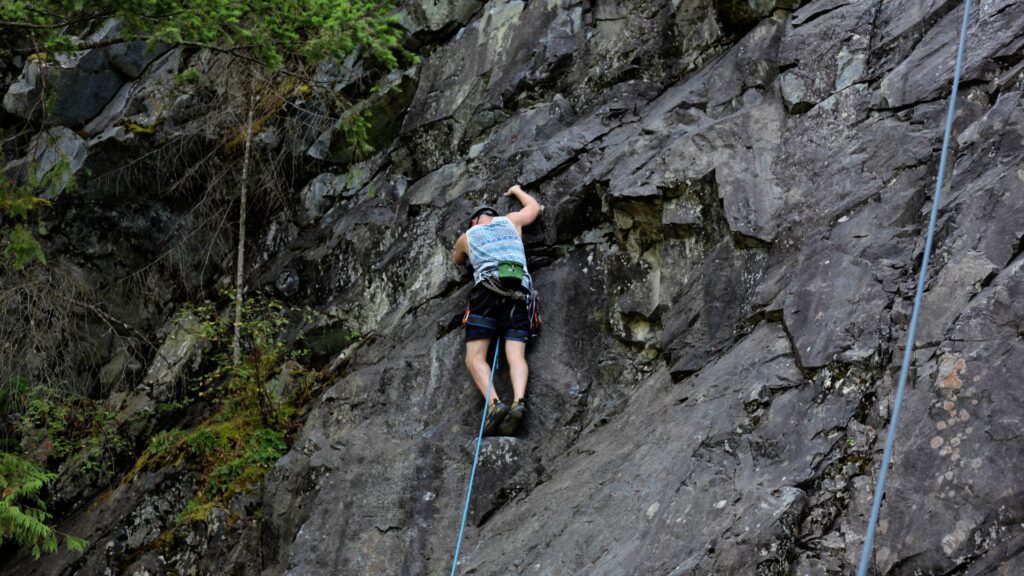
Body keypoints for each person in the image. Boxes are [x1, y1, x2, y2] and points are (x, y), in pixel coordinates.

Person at [452, 184, 541, 436]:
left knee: (475, 357)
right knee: (516, 356)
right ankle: (518, 402)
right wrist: (517, 190)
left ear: (473, 221)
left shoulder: (468, 236)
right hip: (519, 292)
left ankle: (494, 405)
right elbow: (534, 208)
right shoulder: (511, 221)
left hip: (487, 292)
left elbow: (457, 260)